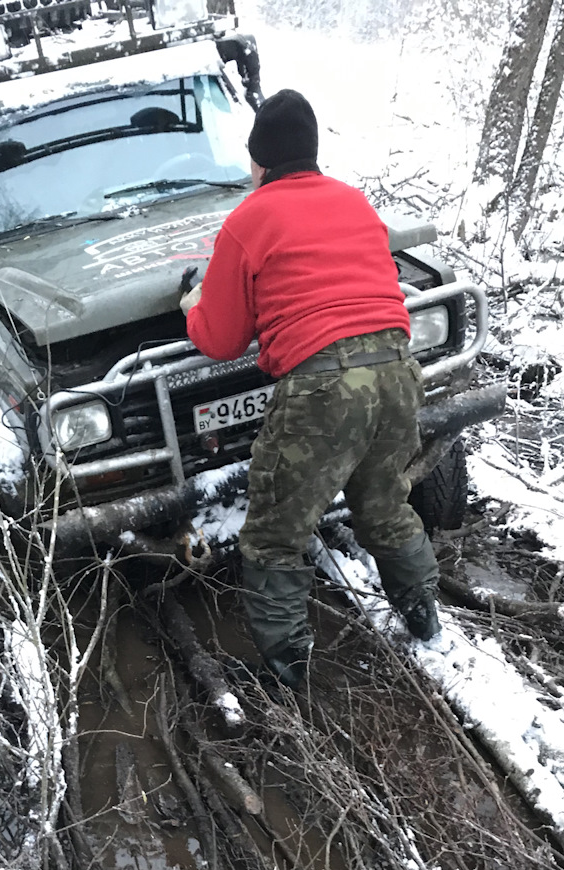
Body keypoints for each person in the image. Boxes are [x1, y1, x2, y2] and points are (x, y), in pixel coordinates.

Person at [180, 89, 441, 689]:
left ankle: (288, 668)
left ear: (260, 160)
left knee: (274, 534)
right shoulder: (354, 201)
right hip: (399, 371)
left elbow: (220, 339)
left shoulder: (250, 219)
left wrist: (191, 305)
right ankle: (424, 615)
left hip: (323, 387)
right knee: (382, 501)